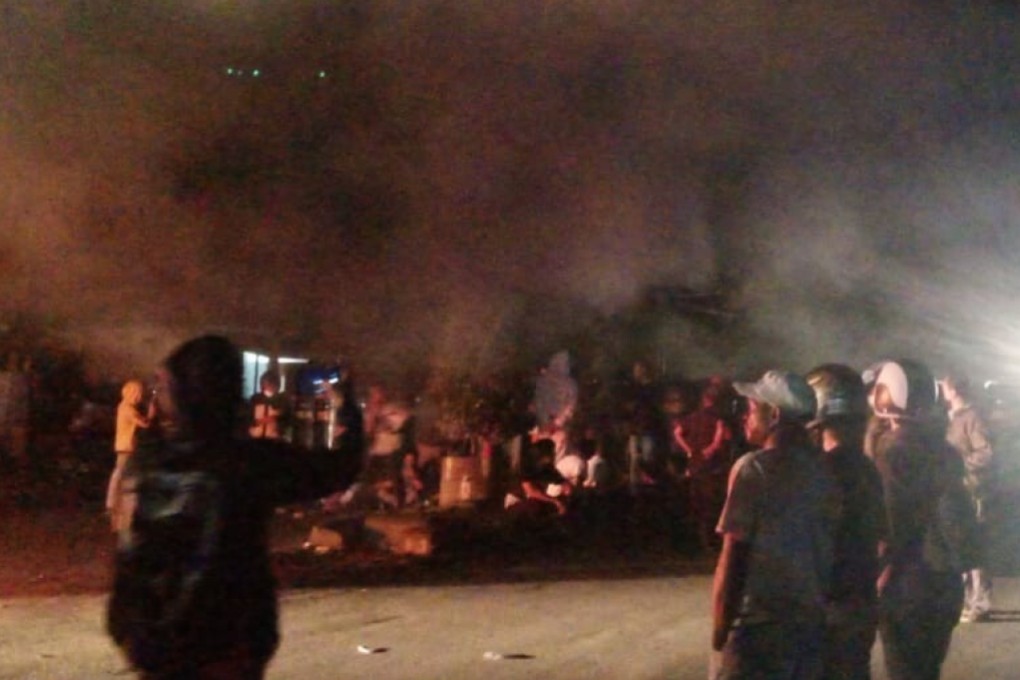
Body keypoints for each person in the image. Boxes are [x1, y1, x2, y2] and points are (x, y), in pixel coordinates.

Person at [106, 335, 362, 679]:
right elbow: (341, 467)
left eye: (163, 384)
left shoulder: (148, 462)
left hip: (158, 650)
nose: (159, 394)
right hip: (225, 650)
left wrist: (129, 630)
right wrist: (346, 404)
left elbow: (130, 558)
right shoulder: (250, 463)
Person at [711, 370, 836, 680]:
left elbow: (734, 557)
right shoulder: (824, 472)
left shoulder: (754, 469)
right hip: (810, 628)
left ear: (775, 415)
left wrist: (719, 630)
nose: (745, 418)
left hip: (758, 630)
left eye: (753, 410)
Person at [870, 360, 974, 680]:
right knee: (927, 669)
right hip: (946, 579)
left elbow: (891, 523)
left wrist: (878, 576)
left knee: (904, 669)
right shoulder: (944, 451)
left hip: (906, 583)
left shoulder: (892, 452)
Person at [806, 364, 886, 680]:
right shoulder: (866, 467)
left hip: (829, 602)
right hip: (860, 599)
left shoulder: (821, 471)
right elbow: (884, 538)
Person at [941, 372, 996, 623]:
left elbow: (985, 453)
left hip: (973, 492)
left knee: (976, 546)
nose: (942, 391)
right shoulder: (950, 418)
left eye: (944, 386)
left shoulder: (972, 418)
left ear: (953, 390)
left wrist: (960, 466)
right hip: (956, 493)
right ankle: (964, 601)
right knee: (960, 545)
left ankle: (981, 604)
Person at [674, 384, 733, 552]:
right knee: (709, 504)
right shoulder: (717, 418)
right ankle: (708, 542)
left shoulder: (692, 417)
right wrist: (712, 448)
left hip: (696, 464)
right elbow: (722, 435)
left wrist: (689, 450)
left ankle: (700, 542)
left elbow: (677, 432)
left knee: (697, 503)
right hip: (710, 467)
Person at [105, 380, 154, 532]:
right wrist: (152, 411)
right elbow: (145, 423)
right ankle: (113, 507)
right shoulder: (127, 409)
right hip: (126, 449)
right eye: (136, 393)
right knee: (123, 480)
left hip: (125, 448)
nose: (138, 397)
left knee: (122, 480)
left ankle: (116, 516)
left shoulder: (125, 407)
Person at [248, 370, 289, 440]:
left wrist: (276, 419)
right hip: (255, 437)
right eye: (267, 383)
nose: (270, 386)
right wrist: (258, 422)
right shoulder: (255, 399)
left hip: (274, 438)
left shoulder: (282, 401)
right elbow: (247, 418)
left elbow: (287, 419)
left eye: (272, 384)